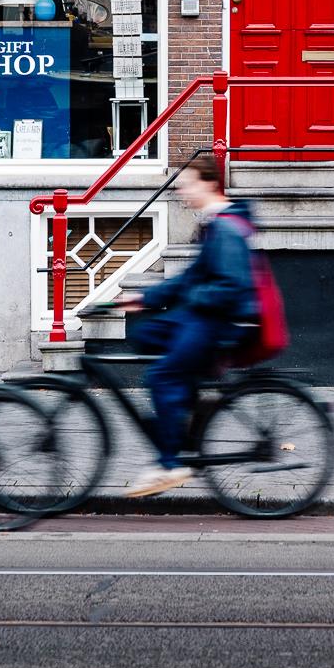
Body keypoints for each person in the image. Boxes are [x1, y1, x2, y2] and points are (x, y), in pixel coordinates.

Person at [116, 154, 259, 498]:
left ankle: (170, 463)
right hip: (204, 313)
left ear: (209, 184)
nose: (182, 192)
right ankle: (185, 408)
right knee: (146, 334)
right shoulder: (214, 224)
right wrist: (145, 298)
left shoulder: (225, 228)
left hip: (220, 320)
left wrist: (192, 298)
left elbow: (232, 286)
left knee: (161, 376)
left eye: (188, 185)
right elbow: (190, 278)